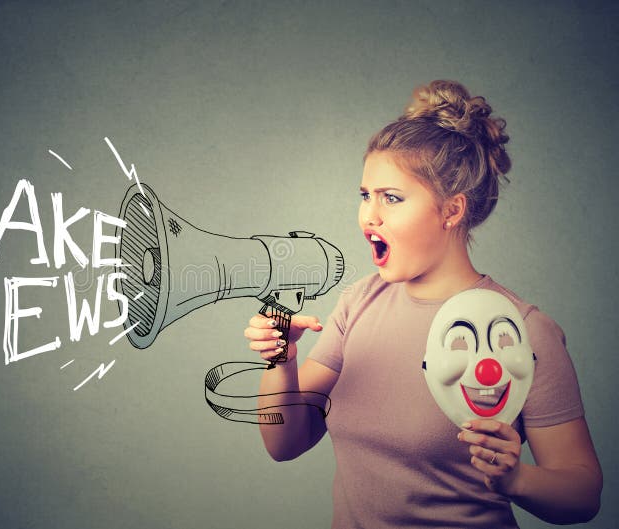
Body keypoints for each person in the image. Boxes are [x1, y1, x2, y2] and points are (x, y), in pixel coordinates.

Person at [244, 80, 602, 528]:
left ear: (451, 211)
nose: (368, 215)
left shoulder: (522, 330)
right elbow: (285, 444)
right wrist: (282, 359)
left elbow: (584, 494)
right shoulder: (358, 304)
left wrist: (518, 480)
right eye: (365, 195)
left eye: (391, 198)